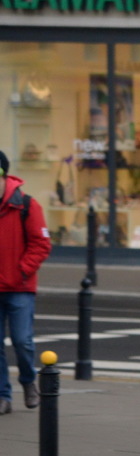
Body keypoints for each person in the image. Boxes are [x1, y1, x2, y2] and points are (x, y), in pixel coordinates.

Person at [0, 150, 52, 415]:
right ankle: (3, 396)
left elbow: (41, 244)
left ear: (4, 176)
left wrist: (22, 271)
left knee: (22, 341)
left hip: (19, 287)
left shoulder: (27, 205)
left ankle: (28, 382)